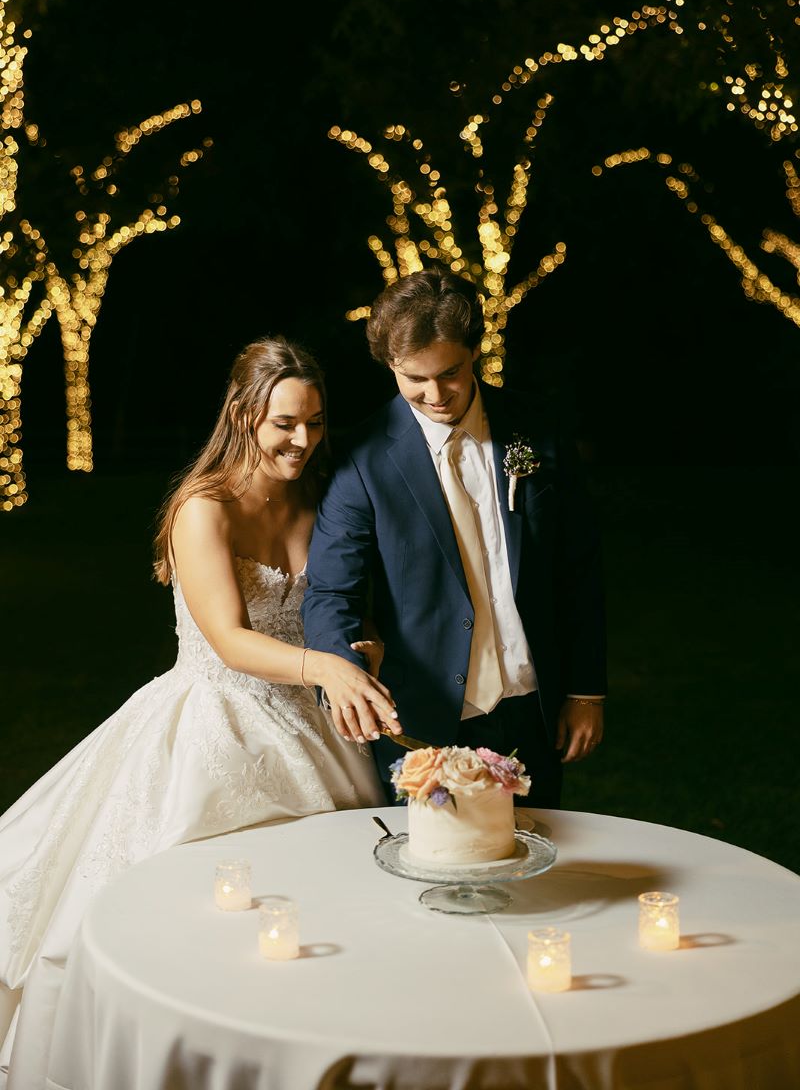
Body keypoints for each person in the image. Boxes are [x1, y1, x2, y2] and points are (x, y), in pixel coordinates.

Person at [0, 335, 398, 1090]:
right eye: (285, 423)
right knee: (194, 915)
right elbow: (231, 639)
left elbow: (340, 613)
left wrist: (361, 648)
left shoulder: (320, 496)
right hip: (216, 719)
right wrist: (327, 668)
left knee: (324, 906)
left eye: (314, 422)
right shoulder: (201, 507)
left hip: (315, 726)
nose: (303, 440)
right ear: (244, 414)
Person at [302, 266, 607, 806]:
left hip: (533, 705)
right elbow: (331, 592)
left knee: (538, 873)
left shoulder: (537, 428)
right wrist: (341, 672)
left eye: (450, 372)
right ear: (389, 365)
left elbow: (576, 565)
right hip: (424, 717)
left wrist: (585, 690)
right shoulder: (361, 459)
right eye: (413, 378)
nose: (435, 393)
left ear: (475, 353)